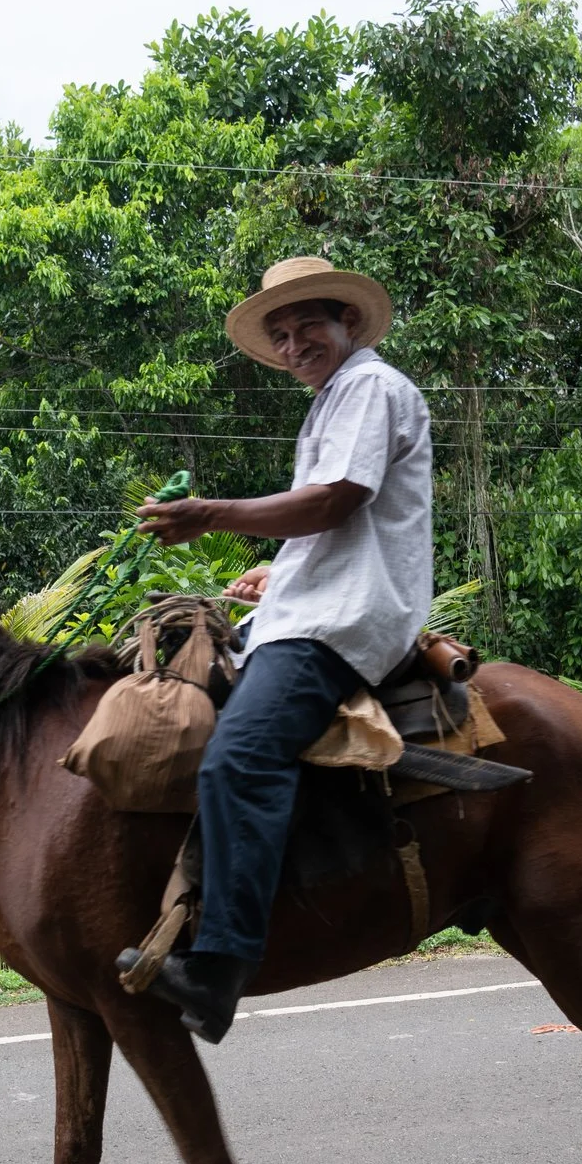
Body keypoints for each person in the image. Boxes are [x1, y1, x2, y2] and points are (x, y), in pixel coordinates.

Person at [131, 256, 434, 1043]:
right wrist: (281, 566)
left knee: (238, 757)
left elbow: (337, 500)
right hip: (311, 608)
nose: (296, 342)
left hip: (340, 624)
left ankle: (220, 966)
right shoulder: (335, 401)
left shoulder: (368, 387)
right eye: (282, 333)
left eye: (309, 325)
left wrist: (213, 514)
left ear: (348, 325)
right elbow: (331, 521)